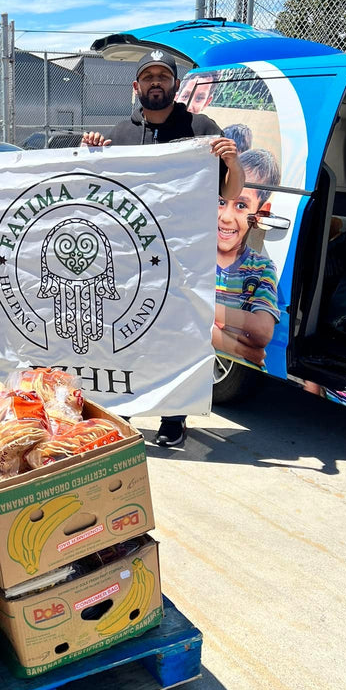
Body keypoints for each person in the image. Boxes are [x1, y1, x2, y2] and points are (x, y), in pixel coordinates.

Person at [81, 49, 244, 448]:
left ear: (175, 84)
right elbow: (96, 190)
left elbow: (230, 192)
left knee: (178, 337)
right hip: (130, 261)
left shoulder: (201, 128)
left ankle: (174, 416)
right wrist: (91, 154)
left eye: (164, 76)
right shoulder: (119, 134)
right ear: (136, 86)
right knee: (125, 334)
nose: (156, 82)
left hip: (183, 260)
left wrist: (233, 161)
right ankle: (122, 409)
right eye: (149, 76)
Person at [214, 149, 281, 367]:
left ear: (261, 214)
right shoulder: (196, 258)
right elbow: (179, 316)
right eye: (221, 202)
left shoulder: (262, 268)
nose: (226, 217)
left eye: (241, 205)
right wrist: (242, 348)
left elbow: (262, 332)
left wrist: (204, 313)